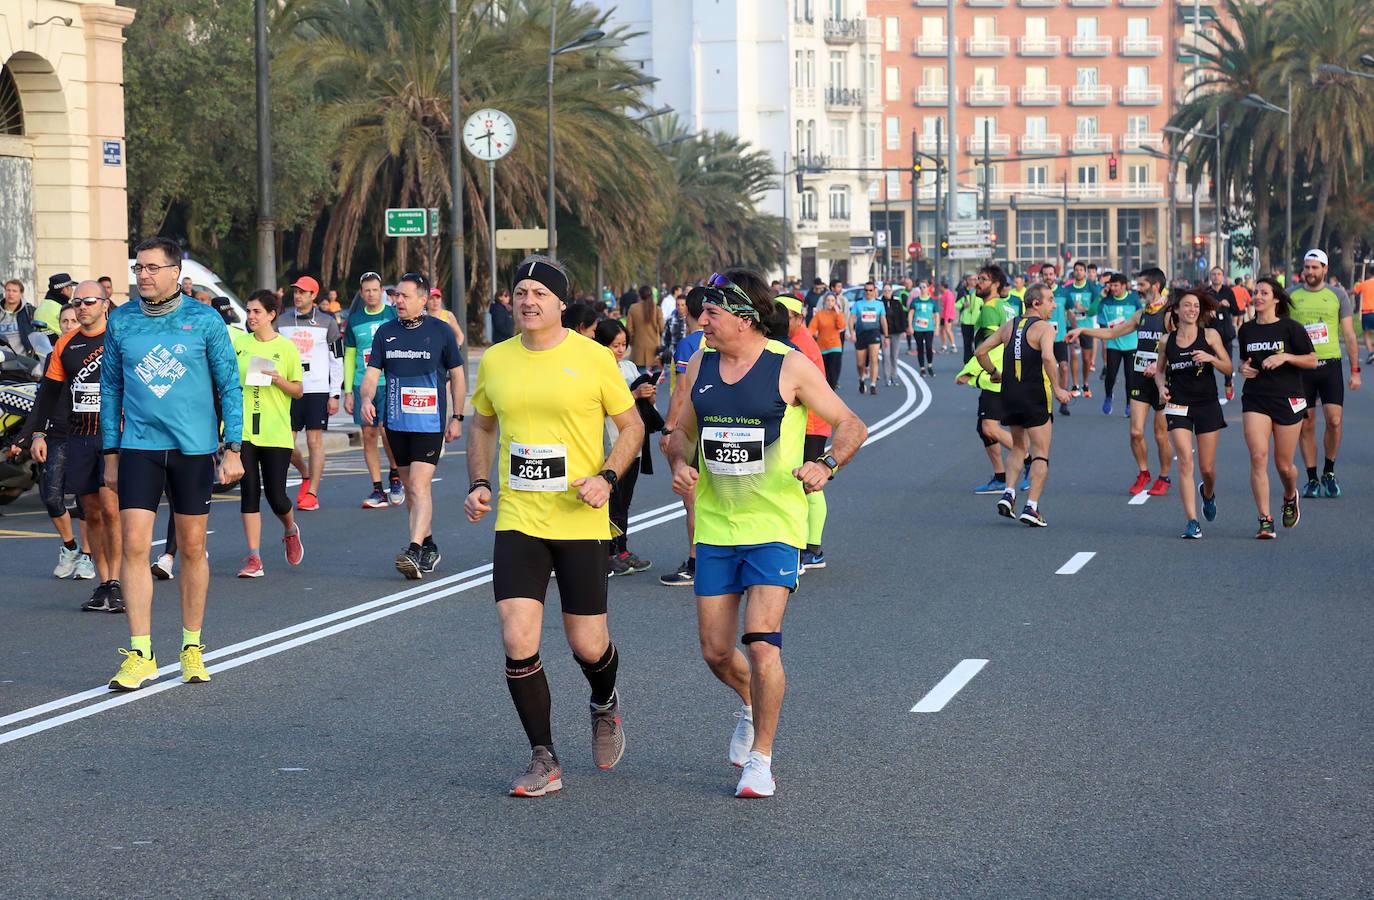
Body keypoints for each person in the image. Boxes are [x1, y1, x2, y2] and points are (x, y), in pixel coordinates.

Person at [667, 269, 866, 799]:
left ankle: (762, 759)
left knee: (761, 643)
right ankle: (750, 704)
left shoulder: (790, 365)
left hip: (775, 523)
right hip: (715, 523)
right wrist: (679, 463)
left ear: (744, 317)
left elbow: (851, 424)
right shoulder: (699, 364)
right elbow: (682, 432)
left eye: (712, 312)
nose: (701, 319)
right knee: (714, 650)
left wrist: (825, 465)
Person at [464, 255, 642, 797]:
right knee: (518, 638)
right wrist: (480, 483)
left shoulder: (593, 359)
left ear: (561, 302)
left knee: (587, 644)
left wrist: (608, 477)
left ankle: (604, 701)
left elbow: (631, 427)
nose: (528, 300)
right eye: (520, 290)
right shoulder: (496, 360)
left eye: (541, 292)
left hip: (580, 519)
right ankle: (544, 756)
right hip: (520, 518)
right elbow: (483, 424)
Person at [102, 236, 244, 691]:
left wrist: (234, 446)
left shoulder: (204, 320)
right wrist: (110, 451)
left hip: (194, 449)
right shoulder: (121, 321)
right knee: (134, 546)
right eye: (139, 268)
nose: (142, 275)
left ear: (174, 274)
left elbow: (229, 386)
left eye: (151, 268)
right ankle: (140, 653)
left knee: (193, 547)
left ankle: (192, 645)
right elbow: (110, 390)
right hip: (140, 446)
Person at [17, 288, 122, 610]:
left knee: (110, 510)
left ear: (105, 304)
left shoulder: (120, 339)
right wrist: (37, 434)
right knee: (90, 513)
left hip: (112, 439)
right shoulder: (66, 343)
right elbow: (48, 394)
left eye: (89, 301)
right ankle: (103, 584)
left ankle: (117, 581)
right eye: (77, 302)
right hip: (78, 438)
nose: (82, 307)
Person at [358, 273, 465, 579]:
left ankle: (414, 549)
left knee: (419, 485)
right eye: (396, 297)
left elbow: (457, 376)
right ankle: (428, 545)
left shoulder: (441, 331)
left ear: (422, 299)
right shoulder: (385, 332)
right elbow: (372, 374)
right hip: (395, 423)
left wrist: (457, 417)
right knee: (410, 489)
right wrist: (366, 399)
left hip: (429, 423)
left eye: (405, 296)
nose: (398, 301)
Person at [1069, 267, 1174, 496]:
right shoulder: (1141, 314)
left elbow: (1180, 345)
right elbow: (1113, 333)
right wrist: (1083, 329)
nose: (1138, 290)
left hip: (1163, 382)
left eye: (1142, 286)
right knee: (1136, 432)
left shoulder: (1169, 315)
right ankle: (1143, 472)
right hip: (1140, 378)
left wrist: (1159, 365)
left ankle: (1164, 476)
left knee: (1160, 434)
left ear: (1155, 286)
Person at [974, 284, 1072, 526]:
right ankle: (1032, 507)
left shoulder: (1010, 325)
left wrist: (994, 372)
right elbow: (1049, 357)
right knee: (1041, 453)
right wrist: (1058, 388)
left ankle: (1009, 493)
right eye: (1050, 300)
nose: (1054, 304)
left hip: (1010, 394)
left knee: (1019, 447)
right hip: (1036, 394)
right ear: (1036, 303)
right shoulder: (1044, 328)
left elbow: (980, 350)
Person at [233, 290, 305, 578]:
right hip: (245, 430)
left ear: (271, 315)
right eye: (248, 311)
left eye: (256, 312)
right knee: (249, 493)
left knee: (276, 496)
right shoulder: (239, 344)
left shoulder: (286, 349)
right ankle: (254, 558)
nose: (250, 317)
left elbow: (298, 391)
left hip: (275, 431)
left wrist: (279, 380)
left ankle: (290, 529)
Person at [1237, 277, 1316, 538]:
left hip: (1288, 398)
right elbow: (1245, 363)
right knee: (1258, 456)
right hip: (1256, 398)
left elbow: (1312, 361)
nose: (1257, 296)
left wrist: (1286, 356)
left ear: (1276, 299)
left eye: (1263, 292)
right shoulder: (1246, 330)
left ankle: (1290, 494)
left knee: (1284, 465)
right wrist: (1243, 369)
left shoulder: (1291, 328)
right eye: (1255, 292)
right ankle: (1265, 519)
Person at [1155, 288, 1232, 538]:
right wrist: (1160, 388)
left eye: (1196, 306)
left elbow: (1229, 367)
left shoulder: (1209, 335)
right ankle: (1192, 521)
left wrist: (1210, 358)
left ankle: (1207, 493)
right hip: (1178, 405)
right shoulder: (1167, 340)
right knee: (1185, 462)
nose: (1192, 310)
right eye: (1187, 306)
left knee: (1207, 468)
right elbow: (1158, 371)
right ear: (1177, 310)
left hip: (1207, 404)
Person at [1289, 250, 1361, 498]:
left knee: (1334, 420)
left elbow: (1350, 335)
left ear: (1325, 269)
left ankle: (1329, 471)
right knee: (1306, 424)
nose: (1310, 272)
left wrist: (1355, 371)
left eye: (1315, 267)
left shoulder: (1338, 295)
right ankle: (1311, 478)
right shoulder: (1291, 294)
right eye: (1307, 267)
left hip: (1330, 365)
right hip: (1301, 368)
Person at [594, 318, 655, 577]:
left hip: (634, 445)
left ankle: (622, 549)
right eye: (614, 345)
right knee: (610, 502)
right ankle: (607, 553)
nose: (620, 350)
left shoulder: (629, 367)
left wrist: (649, 394)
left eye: (623, 345)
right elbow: (603, 406)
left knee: (624, 502)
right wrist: (634, 395)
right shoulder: (597, 368)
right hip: (609, 443)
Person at [778, 294, 835, 571]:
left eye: (784, 315)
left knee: (808, 483)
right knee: (804, 482)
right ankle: (810, 547)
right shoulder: (793, 341)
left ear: (799, 318)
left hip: (811, 423)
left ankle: (811, 549)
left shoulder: (800, 346)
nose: (777, 320)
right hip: (807, 422)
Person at [277, 275, 343, 511]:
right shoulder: (281, 321)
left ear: (313, 296)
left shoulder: (327, 322)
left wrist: (335, 394)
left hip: (316, 389)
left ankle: (312, 492)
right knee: (285, 442)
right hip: (288, 388)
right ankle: (304, 472)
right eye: (295, 292)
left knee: (315, 441)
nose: (297, 296)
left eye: (303, 292)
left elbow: (337, 359)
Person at [658, 285, 708, 587]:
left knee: (692, 500)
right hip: (722, 427)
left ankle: (694, 563)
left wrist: (669, 428)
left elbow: (681, 391)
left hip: (693, 430)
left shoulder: (691, 344)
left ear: (687, 310)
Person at [342, 272, 403, 508]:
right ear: (361, 293)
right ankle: (377, 488)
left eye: (375, 290)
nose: (370, 294)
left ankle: (395, 477)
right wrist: (348, 391)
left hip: (389, 382)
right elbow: (349, 356)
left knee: (388, 432)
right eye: (366, 290)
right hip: (363, 385)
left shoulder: (392, 315)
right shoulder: (355, 320)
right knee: (368, 436)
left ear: (382, 292)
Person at [1096, 273, 1141, 416]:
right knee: (1110, 375)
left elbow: (1141, 317)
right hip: (1113, 345)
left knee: (1130, 377)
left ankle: (1129, 404)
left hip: (1132, 345)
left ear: (1124, 285)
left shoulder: (1133, 299)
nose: (1113, 288)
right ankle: (1108, 396)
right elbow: (1099, 318)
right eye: (1111, 285)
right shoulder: (1106, 301)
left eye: (1116, 285)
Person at [1056, 261, 1098, 399]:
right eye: (1076, 270)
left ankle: (1085, 383)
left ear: (1085, 272)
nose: (1078, 272)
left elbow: (1094, 310)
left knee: (1086, 359)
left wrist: (1083, 309)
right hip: (1071, 326)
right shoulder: (1067, 288)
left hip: (1086, 327)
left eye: (1081, 269)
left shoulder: (1091, 288)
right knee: (1073, 354)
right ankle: (1075, 385)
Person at [848, 281, 886, 395]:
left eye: (870, 290)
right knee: (860, 363)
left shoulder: (879, 304)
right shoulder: (858, 304)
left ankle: (873, 384)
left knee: (874, 358)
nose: (868, 292)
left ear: (874, 291)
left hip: (874, 333)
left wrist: (886, 335)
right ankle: (862, 379)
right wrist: (852, 333)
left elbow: (883, 320)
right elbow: (851, 319)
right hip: (861, 334)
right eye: (866, 290)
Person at [1208, 266, 1239, 402]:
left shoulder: (1228, 291)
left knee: (1228, 362)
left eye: (1219, 274)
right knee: (1207, 363)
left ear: (1223, 277)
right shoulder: (1206, 293)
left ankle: (1228, 382)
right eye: (1213, 274)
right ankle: (1209, 389)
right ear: (1210, 277)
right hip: (1210, 332)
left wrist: (1228, 305)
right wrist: (1207, 311)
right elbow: (1198, 310)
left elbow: (1237, 311)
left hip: (1226, 332)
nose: (1216, 277)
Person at [808, 292, 845, 388]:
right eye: (828, 300)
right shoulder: (819, 314)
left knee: (833, 371)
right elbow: (811, 328)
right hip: (823, 347)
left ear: (835, 302)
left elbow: (841, 326)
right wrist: (807, 338)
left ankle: (832, 390)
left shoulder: (837, 314)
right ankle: (828, 391)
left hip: (835, 346)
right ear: (824, 301)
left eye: (832, 301)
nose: (830, 303)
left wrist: (838, 313)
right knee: (825, 372)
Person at [626, 284, 663, 372]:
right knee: (655, 375)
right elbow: (662, 328)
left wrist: (631, 342)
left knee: (640, 376)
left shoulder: (633, 308)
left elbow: (629, 329)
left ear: (640, 295)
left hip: (638, 346)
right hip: (654, 347)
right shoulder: (657, 309)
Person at [907, 285, 939, 378]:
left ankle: (929, 365)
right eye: (920, 287)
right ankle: (922, 368)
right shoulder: (915, 300)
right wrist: (910, 326)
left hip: (929, 328)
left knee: (929, 347)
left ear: (928, 288)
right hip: (918, 328)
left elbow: (936, 314)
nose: (922, 289)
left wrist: (937, 327)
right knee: (920, 347)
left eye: (924, 287)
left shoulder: (932, 301)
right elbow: (911, 313)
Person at [881, 284, 907, 387]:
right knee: (885, 355)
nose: (887, 293)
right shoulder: (880, 303)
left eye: (889, 290)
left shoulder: (897, 303)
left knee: (894, 356)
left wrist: (904, 330)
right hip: (884, 333)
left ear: (892, 291)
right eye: (885, 291)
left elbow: (902, 316)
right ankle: (887, 377)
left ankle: (894, 377)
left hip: (896, 332)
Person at [938, 281, 957, 353]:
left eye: (940, 286)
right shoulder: (944, 294)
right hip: (944, 315)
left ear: (943, 287)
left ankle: (953, 345)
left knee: (947, 330)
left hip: (948, 316)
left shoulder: (948, 295)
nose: (939, 288)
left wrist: (946, 319)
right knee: (942, 330)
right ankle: (944, 346)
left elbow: (948, 308)